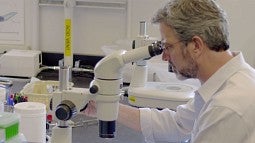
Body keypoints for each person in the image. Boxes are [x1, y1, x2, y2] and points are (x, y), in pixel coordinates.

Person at [84, 0, 255, 142]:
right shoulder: (230, 82)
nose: (165, 57)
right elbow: (178, 124)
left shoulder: (227, 107)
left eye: (168, 46)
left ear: (196, 45)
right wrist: (103, 106)